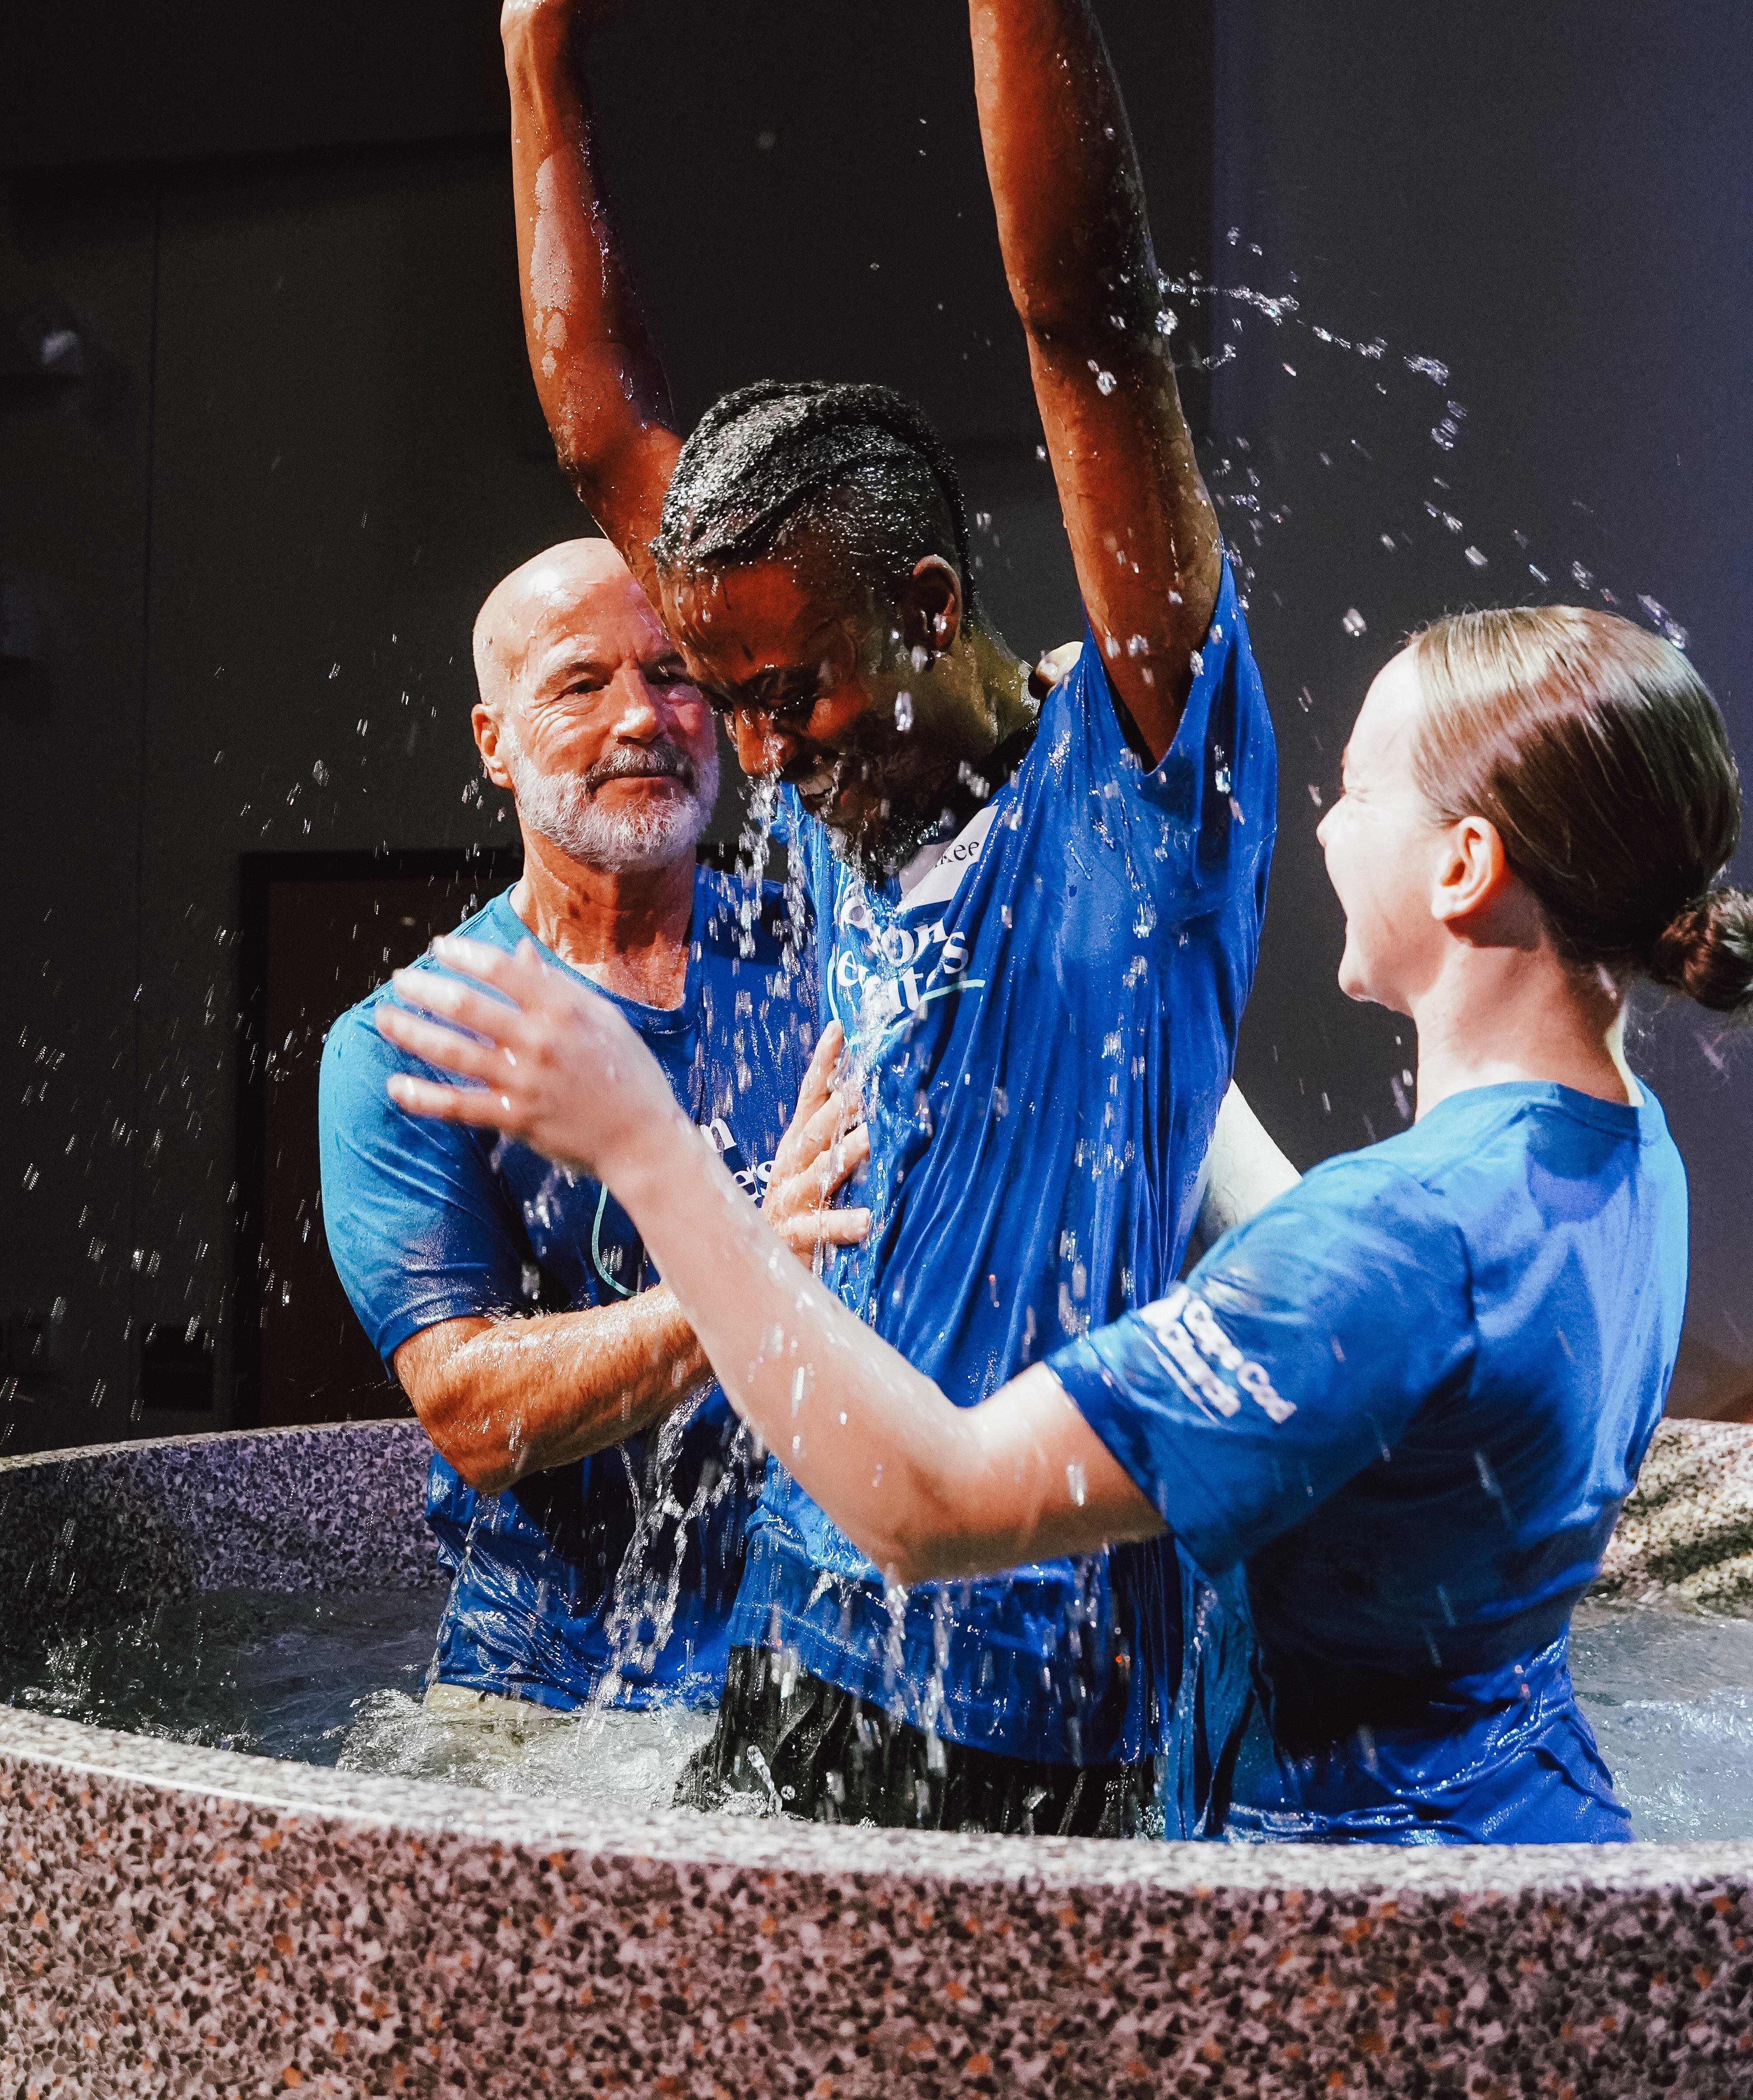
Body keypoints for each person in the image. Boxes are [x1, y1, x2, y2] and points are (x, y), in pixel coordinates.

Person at [381, 602, 1753, 1842]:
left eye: (1353, 792)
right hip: (1538, 1829)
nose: (1319, 825)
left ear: (1464, 866)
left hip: (1364, 1923)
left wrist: (652, 1151)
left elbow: (936, 1505)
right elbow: (1335, 1290)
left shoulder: (1390, 1244)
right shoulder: (1623, 1143)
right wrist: (1104, 906)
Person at [496, 0, 1284, 1832]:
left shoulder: (1136, 788)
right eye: (726, 700)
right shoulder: (842, 763)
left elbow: (1082, 309)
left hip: (1038, 1700)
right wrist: (535, 72)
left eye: (788, 700)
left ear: (931, 602)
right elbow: (605, 440)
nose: (751, 756)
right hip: (797, 1627)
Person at [318, 539, 864, 1742]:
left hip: (831, 1667)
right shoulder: (414, 1043)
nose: (642, 718)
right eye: (579, 684)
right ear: (493, 742)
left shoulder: (829, 957)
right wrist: (752, 1270)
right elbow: (473, 1410)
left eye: (675, 674)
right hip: (546, 1700)